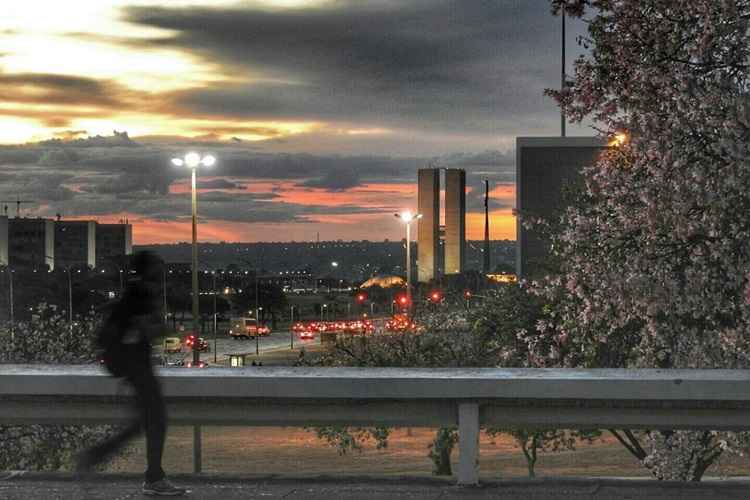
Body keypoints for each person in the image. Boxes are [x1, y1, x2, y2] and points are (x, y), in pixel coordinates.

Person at [77, 251, 188, 496]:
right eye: (158, 267)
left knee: (144, 422)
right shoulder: (141, 295)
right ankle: (153, 478)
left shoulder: (134, 291)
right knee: (155, 421)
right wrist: (161, 323)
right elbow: (151, 329)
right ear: (149, 270)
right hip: (137, 367)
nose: (163, 271)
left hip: (133, 366)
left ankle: (94, 457)